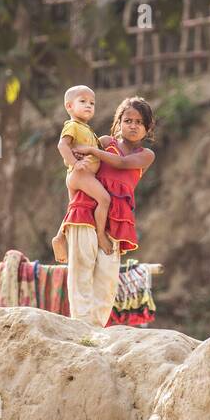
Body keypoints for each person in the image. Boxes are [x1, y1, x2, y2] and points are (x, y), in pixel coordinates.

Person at [63, 96, 156, 330]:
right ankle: (80, 325)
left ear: (147, 128)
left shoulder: (146, 155)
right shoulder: (105, 141)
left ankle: (95, 327)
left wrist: (93, 150)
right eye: (128, 120)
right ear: (119, 122)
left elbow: (122, 164)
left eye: (139, 122)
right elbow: (77, 168)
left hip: (117, 218)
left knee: (107, 275)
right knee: (82, 266)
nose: (133, 126)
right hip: (86, 208)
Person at [51, 85, 112, 263]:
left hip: (79, 176)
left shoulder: (85, 128)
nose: (88, 106)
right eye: (83, 101)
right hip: (81, 175)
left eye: (92, 103)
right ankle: (100, 234)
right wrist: (75, 163)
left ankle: (60, 238)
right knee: (104, 200)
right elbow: (62, 145)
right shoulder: (73, 126)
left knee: (74, 208)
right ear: (69, 106)